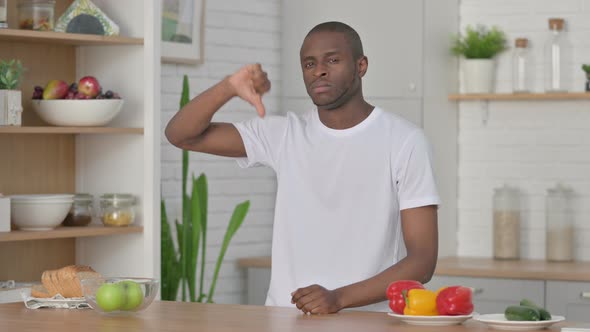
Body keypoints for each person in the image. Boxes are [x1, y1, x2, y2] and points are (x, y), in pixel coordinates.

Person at [165, 21, 439, 314]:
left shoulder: (404, 141)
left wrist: (338, 298)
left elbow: (422, 262)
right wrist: (229, 87)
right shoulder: (284, 134)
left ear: (361, 66)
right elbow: (181, 134)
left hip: (367, 322)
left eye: (332, 60)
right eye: (309, 63)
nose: (318, 70)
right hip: (285, 320)